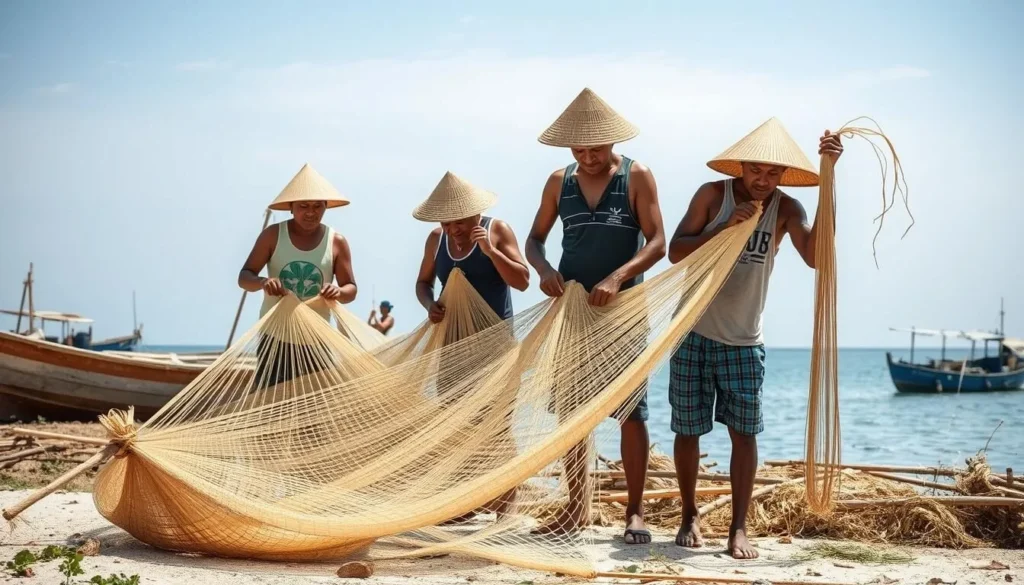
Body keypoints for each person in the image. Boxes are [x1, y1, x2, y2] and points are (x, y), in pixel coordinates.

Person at [666, 118, 843, 559]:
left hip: (745, 340)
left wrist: (829, 178)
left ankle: (738, 529)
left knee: (744, 434)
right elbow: (675, 250)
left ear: (783, 175)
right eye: (755, 171)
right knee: (688, 431)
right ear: (740, 168)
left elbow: (817, 256)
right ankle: (689, 514)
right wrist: (723, 229)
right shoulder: (712, 195)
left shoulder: (786, 209)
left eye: (773, 173)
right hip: (692, 331)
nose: (763, 181)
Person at [525, 88, 667, 544]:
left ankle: (635, 512)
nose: (587, 157)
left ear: (612, 144)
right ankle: (575, 507)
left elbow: (658, 242)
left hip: (623, 312)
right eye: (579, 150)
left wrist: (617, 278)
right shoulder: (557, 181)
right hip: (571, 313)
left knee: (631, 412)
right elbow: (535, 239)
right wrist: (544, 270)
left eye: (596, 149)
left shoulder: (637, 175)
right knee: (569, 412)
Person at [413, 170, 530, 519]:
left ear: (475, 213)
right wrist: (429, 304)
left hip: (495, 345)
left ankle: (505, 504)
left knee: (496, 423)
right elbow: (422, 283)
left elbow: (522, 281)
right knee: (455, 422)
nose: (453, 229)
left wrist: (490, 252)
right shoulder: (436, 239)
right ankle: (463, 503)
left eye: (459, 222)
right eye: (446, 223)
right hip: (452, 347)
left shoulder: (497, 230)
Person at [238, 163, 357, 386]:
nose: (310, 213)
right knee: (270, 402)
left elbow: (351, 289)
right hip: (276, 336)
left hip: (316, 338)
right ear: (291, 207)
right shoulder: (273, 236)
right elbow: (245, 277)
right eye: (303, 206)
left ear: (325, 207)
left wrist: (338, 291)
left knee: (314, 406)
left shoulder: (336, 241)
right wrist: (263, 282)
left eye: (317, 206)